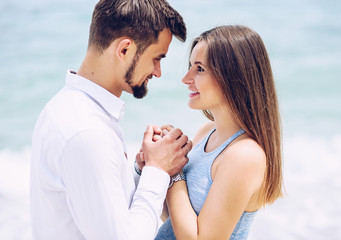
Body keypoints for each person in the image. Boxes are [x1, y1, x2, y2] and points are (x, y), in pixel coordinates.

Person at [30, 0, 192, 239]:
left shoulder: (69, 109)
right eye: (157, 58)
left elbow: (108, 218)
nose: (158, 71)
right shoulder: (86, 131)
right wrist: (158, 171)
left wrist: (142, 171)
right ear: (124, 49)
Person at [155, 25, 283, 240]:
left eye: (199, 69)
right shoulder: (207, 131)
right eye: (190, 67)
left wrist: (175, 171)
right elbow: (174, 218)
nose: (186, 78)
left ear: (233, 76)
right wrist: (154, 167)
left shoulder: (245, 155)